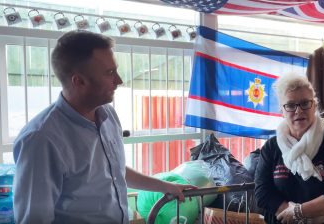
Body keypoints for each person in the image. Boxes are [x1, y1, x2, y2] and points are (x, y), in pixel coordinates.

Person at [13, 30, 196, 224]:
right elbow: (33, 219)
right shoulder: (41, 139)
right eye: (109, 73)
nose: (119, 80)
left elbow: (115, 171)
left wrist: (164, 186)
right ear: (79, 81)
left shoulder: (107, 115)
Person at [254, 73, 324, 224]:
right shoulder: (272, 147)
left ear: (314, 106)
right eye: (290, 105)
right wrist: (302, 218)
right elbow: (262, 193)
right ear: (282, 111)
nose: (298, 111)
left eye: (305, 103)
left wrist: (300, 212)